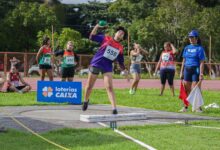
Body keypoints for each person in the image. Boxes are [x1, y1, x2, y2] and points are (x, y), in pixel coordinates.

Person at [82, 24, 128, 114]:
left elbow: (121, 62)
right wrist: (97, 26)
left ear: (122, 38)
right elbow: (92, 37)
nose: (120, 34)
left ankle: (114, 109)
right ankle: (85, 100)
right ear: (115, 33)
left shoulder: (120, 48)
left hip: (107, 66)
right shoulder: (106, 38)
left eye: (122, 34)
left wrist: (124, 70)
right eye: (119, 32)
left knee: (109, 87)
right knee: (89, 86)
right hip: (96, 63)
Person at [179, 29, 205, 112]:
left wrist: (201, 73)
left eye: (192, 37)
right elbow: (183, 61)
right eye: (189, 37)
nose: (190, 39)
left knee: (195, 88)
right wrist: (181, 72)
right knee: (186, 88)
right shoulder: (186, 48)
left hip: (195, 69)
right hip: (187, 69)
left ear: (196, 38)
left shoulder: (200, 48)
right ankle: (185, 106)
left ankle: (198, 107)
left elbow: (201, 62)